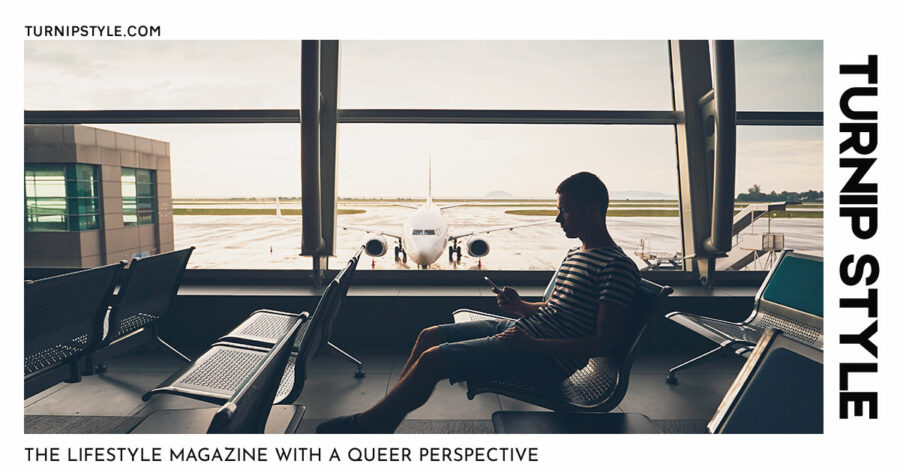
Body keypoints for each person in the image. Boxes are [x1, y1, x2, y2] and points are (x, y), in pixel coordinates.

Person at [316, 171, 640, 433]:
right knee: (428, 335)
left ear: (592, 210)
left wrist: (533, 345)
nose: (558, 219)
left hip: (545, 360)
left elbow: (603, 343)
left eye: (564, 210)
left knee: (432, 360)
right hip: (525, 330)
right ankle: (383, 420)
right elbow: (559, 310)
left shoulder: (617, 266)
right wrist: (522, 307)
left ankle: (367, 425)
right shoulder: (576, 254)